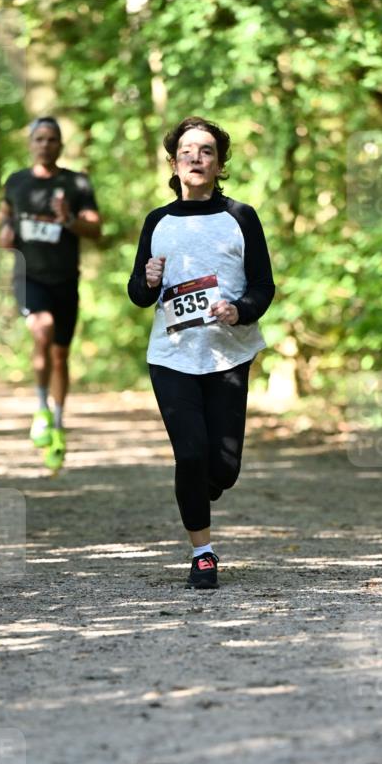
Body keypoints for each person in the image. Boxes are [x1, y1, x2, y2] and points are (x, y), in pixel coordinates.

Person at [128, 116, 275, 589]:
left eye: (207, 151)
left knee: (223, 468)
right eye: (187, 151)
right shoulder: (158, 221)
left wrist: (241, 310)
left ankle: (203, 488)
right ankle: (203, 552)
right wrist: (148, 280)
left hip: (228, 355)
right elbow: (137, 292)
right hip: (171, 357)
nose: (196, 158)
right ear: (174, 162)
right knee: (190, 456)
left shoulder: (240, 216)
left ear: (218, 163)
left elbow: (263, 286)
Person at [0, 117, 100, 471]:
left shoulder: (76, 183)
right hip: (29, 276)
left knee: (60, 354)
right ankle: (40, 406)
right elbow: (4, 219)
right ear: (30, 143)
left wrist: (69, 219)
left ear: (60, 144)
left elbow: (96, 228)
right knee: (41, 331)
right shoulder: (16, 182)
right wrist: (4, 235)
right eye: (39, 138)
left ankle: (57, 418)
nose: (45, 144)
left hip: (65, 279)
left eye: (51, 139)